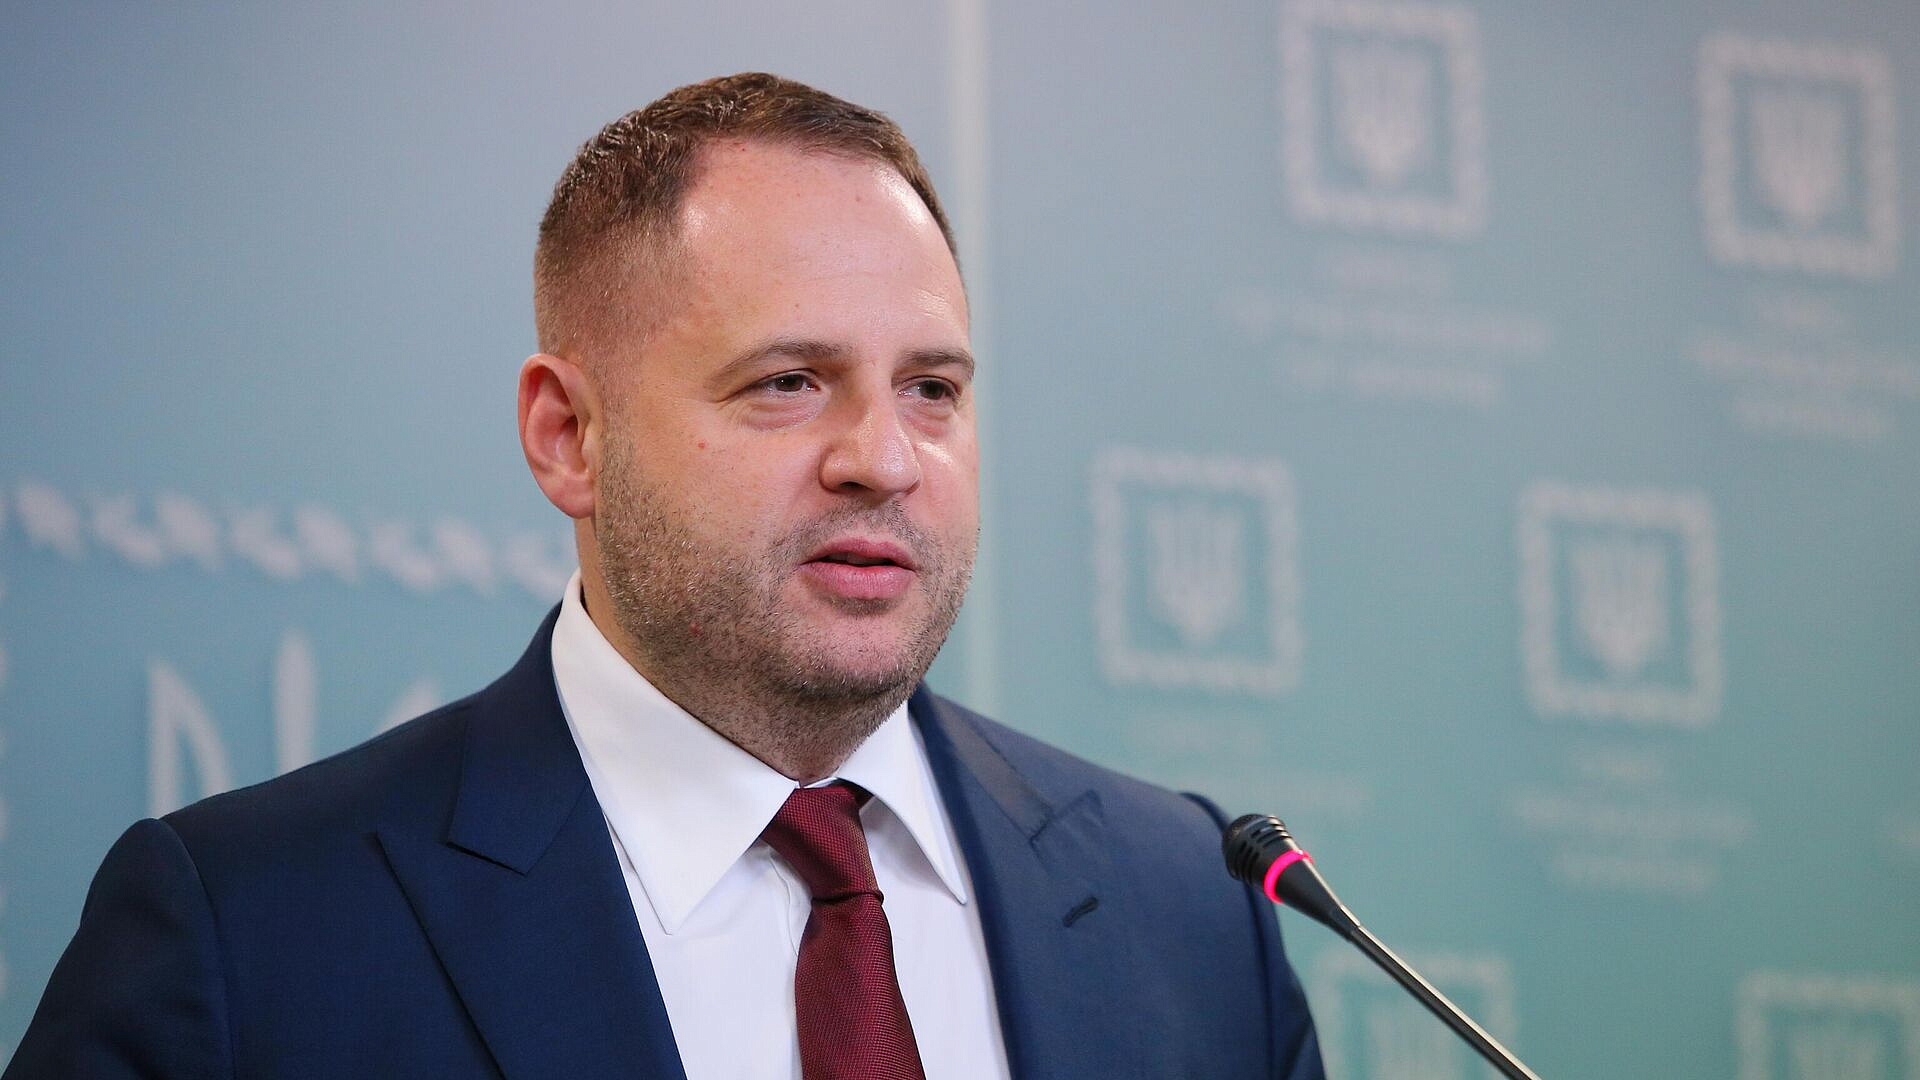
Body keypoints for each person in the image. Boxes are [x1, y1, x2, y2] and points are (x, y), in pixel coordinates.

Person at [7, 73, 1323, 1079]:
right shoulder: (248, 935)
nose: (883, 459)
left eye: (932, 388)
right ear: (568, 436)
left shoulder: (1193, 906)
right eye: (789, 382)